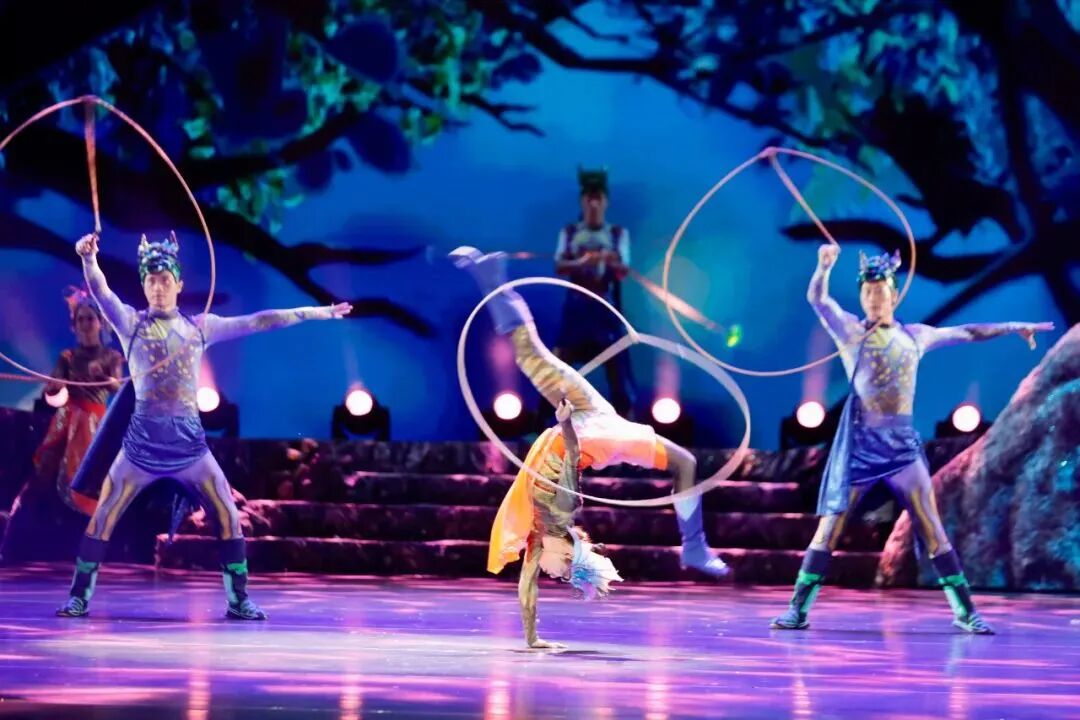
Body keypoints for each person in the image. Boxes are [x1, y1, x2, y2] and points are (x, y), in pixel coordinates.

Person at [57, 231, 351, 620]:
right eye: (151, 280)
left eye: (165, 280)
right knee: (103, 517)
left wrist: (316, 312)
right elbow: (101, 291)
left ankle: (238, 599)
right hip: (140, 449)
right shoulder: (130, 324)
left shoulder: (200, 328)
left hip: (190, 450)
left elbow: (259, 321)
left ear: (178, 284)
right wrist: (88, 258)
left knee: (228, 515)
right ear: (144, 285)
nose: (158, 287)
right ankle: (79, 596)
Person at [770, 245, 1054, 634]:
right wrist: (824, 267)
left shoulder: (915, 336)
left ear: (893, 295)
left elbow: (968, 332)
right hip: (862, 448)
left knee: (931, 526)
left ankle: (965, 611)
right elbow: (819, 300)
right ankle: (797, 609)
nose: (873, 299)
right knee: (830, 528)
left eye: (879, 292)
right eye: (867, 293)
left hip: (902, 448)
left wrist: (1011, 327)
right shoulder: (851, 332)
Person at [553, 167, 637, 416]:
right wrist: (581, 262)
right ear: (582, 200)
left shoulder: (617, 234)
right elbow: (559, 265)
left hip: (606, 313)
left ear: (605, 201)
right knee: (556, 374)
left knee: (620, 378)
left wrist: (609, 259)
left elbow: (623, 271)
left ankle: (628, 426)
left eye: (598, 198)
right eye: (589, 198)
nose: (593, 204)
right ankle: (543, 425)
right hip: (576, 312)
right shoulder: (570, 232)